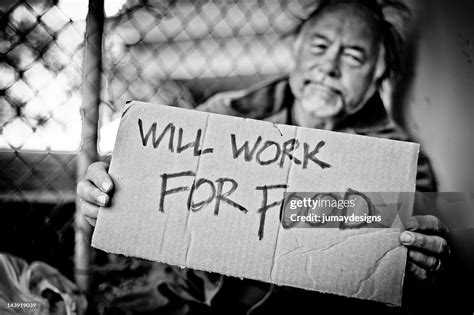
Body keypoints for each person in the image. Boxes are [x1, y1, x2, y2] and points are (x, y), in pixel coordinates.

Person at [77, 0, 451, 313]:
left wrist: (419, 257)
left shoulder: (397, 164)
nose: (330, 67)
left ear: (378, 74)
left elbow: (410, 248)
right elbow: (142, 196)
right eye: (319, 47)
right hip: (187, 296)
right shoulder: (223, 117)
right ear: (296, 51)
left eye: (354, 57)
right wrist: (112, 196)